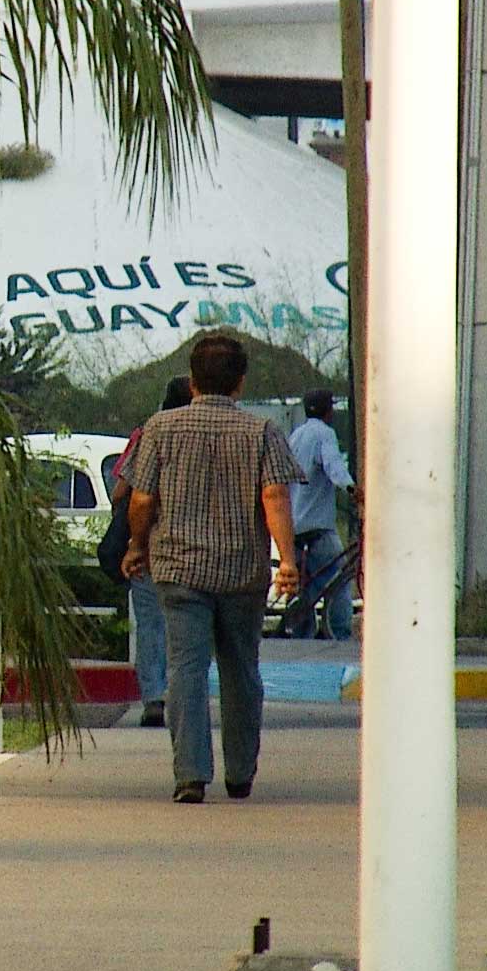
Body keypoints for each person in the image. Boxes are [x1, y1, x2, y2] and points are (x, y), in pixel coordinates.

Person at [121, 334, 302, 804]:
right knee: (242, 669)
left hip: (179, 569)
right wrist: (287, 560)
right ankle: (240, 773)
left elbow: (141, 499)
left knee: (185, 667)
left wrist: (137, 545)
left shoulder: (160, 428)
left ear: (192, 379)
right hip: (243, 571)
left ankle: (190, 774)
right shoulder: (262, 431)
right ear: (240, 382)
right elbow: (275, 496)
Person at [109, 375, 193, 727]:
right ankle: (185, 694)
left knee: (149, 623)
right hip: (192, 546)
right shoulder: (205, 435)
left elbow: (121, 493)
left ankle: (153, 697)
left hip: (147, 544)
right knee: (189, 624)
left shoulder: (147, 434)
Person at [288, 388, 357, 640]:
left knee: (303, 584)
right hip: (317, 527)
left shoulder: (295, 436)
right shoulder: (324, 434)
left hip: (293, 524)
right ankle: (339, 632)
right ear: (328, 411)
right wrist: (353, 489)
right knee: (338, 581)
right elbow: (334, 467)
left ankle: (300, 632)